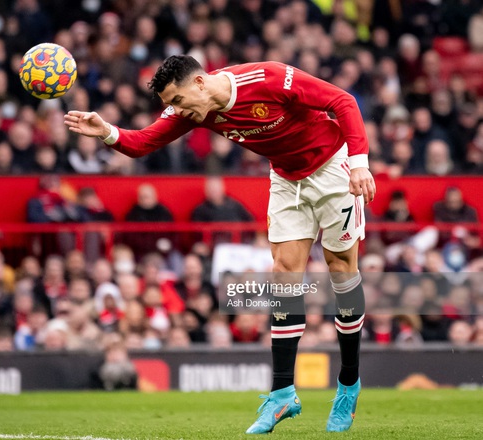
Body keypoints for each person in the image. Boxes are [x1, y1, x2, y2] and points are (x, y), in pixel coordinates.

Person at [65, 54, 375, 434]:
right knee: (283, 277)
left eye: (176, 101)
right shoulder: (191, 109)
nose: (174, 111)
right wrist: (106, 132)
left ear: (199, 83)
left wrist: (360, 162)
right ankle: (282, 395)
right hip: (286, 180)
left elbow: (342, 101)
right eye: (168, 105)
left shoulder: (268, 78)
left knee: (342, 274)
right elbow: (143, 142)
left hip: (333, 168)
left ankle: (348, 384)